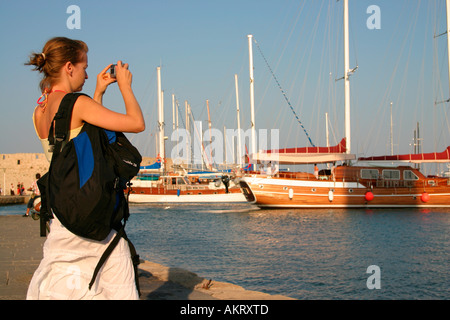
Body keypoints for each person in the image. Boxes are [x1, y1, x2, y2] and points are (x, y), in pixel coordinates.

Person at [25, 37, 145, 300]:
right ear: (69, 67)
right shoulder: (77, 102)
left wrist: (99, 93)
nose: (88, 74)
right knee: (117, 274)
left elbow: (82, 139)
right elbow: (136, 122)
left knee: (63, 281)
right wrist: (125, 87)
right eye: (84, 67)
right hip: (88, 213)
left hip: (62, 213)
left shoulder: (40, 110)